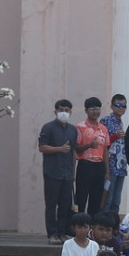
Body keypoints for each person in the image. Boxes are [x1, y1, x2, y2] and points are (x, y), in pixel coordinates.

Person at [37, 99, 78, 241]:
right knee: (51, 204)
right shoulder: (48, 127)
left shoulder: (73, 130)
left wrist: (73, 172)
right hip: (52, 172)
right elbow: (42, 147)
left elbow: (73, 151)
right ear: (55, 111)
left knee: (65, 205)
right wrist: (59, 149)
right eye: (61, 110)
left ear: (71, 112)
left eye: (67, 110)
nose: (64, 113)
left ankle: (62, 233)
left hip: (67, 174)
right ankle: (52, 234)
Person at [74, 97, 113, 219]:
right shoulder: (80, 127)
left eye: (97, 108)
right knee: (81, 196)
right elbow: (76, 147)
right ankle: (78, 223)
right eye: (92, 109)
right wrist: (89, 145)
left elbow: (105, 150)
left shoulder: (103, 128)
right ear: (86, 111)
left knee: (96, 197)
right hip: (85, 164)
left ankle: (92, 226)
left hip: (99, 166)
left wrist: (107, 171)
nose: (95, 111)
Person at [104, 94, 129, 217]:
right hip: (110, 165)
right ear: (111, 105)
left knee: (117, 199)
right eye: (118, 105)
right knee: (108, 198)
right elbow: (102, 142)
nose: (121, 108)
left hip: (120, 165)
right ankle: (104, 223)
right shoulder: (106, 121)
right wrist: (115, 136)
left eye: (123, 106)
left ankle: (113, 227)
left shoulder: (120, 122)